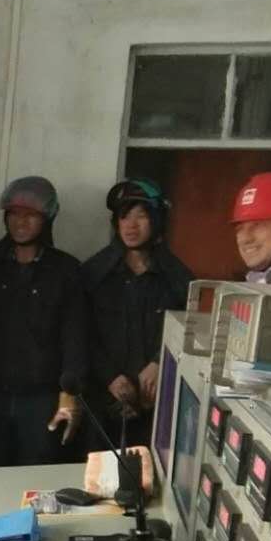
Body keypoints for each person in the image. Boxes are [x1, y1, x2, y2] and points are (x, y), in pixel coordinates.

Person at [0, 176, 85, 467]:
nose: (20, 222)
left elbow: (75, 335)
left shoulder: (66, 272)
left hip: (42, 397)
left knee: (36, 475)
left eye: (30, 215)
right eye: (14, 214)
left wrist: (69, 393)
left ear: (47, 219)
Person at [82, 179, 193, 449]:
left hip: (156, 407)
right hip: (102, 404)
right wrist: (110, 377)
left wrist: (159, 363)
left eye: (141, 215)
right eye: (124, 216)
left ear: (156, 220)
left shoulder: (179, 278)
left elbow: (190, 330)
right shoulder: (93, 274)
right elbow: (80, 333)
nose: (131, 225)